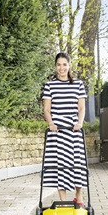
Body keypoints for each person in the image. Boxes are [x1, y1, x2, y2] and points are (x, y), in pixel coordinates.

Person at [42, 52, 88, 206]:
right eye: (58, 65)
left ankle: (79, 197)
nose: (61, 68)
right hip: (57, 131)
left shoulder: (78, 84)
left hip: (73, 130)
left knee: (77, 163)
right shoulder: (50, 85)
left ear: (69, 66)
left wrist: (79, 123)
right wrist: (51, 123)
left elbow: (81, 108)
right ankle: (63, 202)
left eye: (64, 64)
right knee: (60, 166)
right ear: (55, 66)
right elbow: (46, 109)